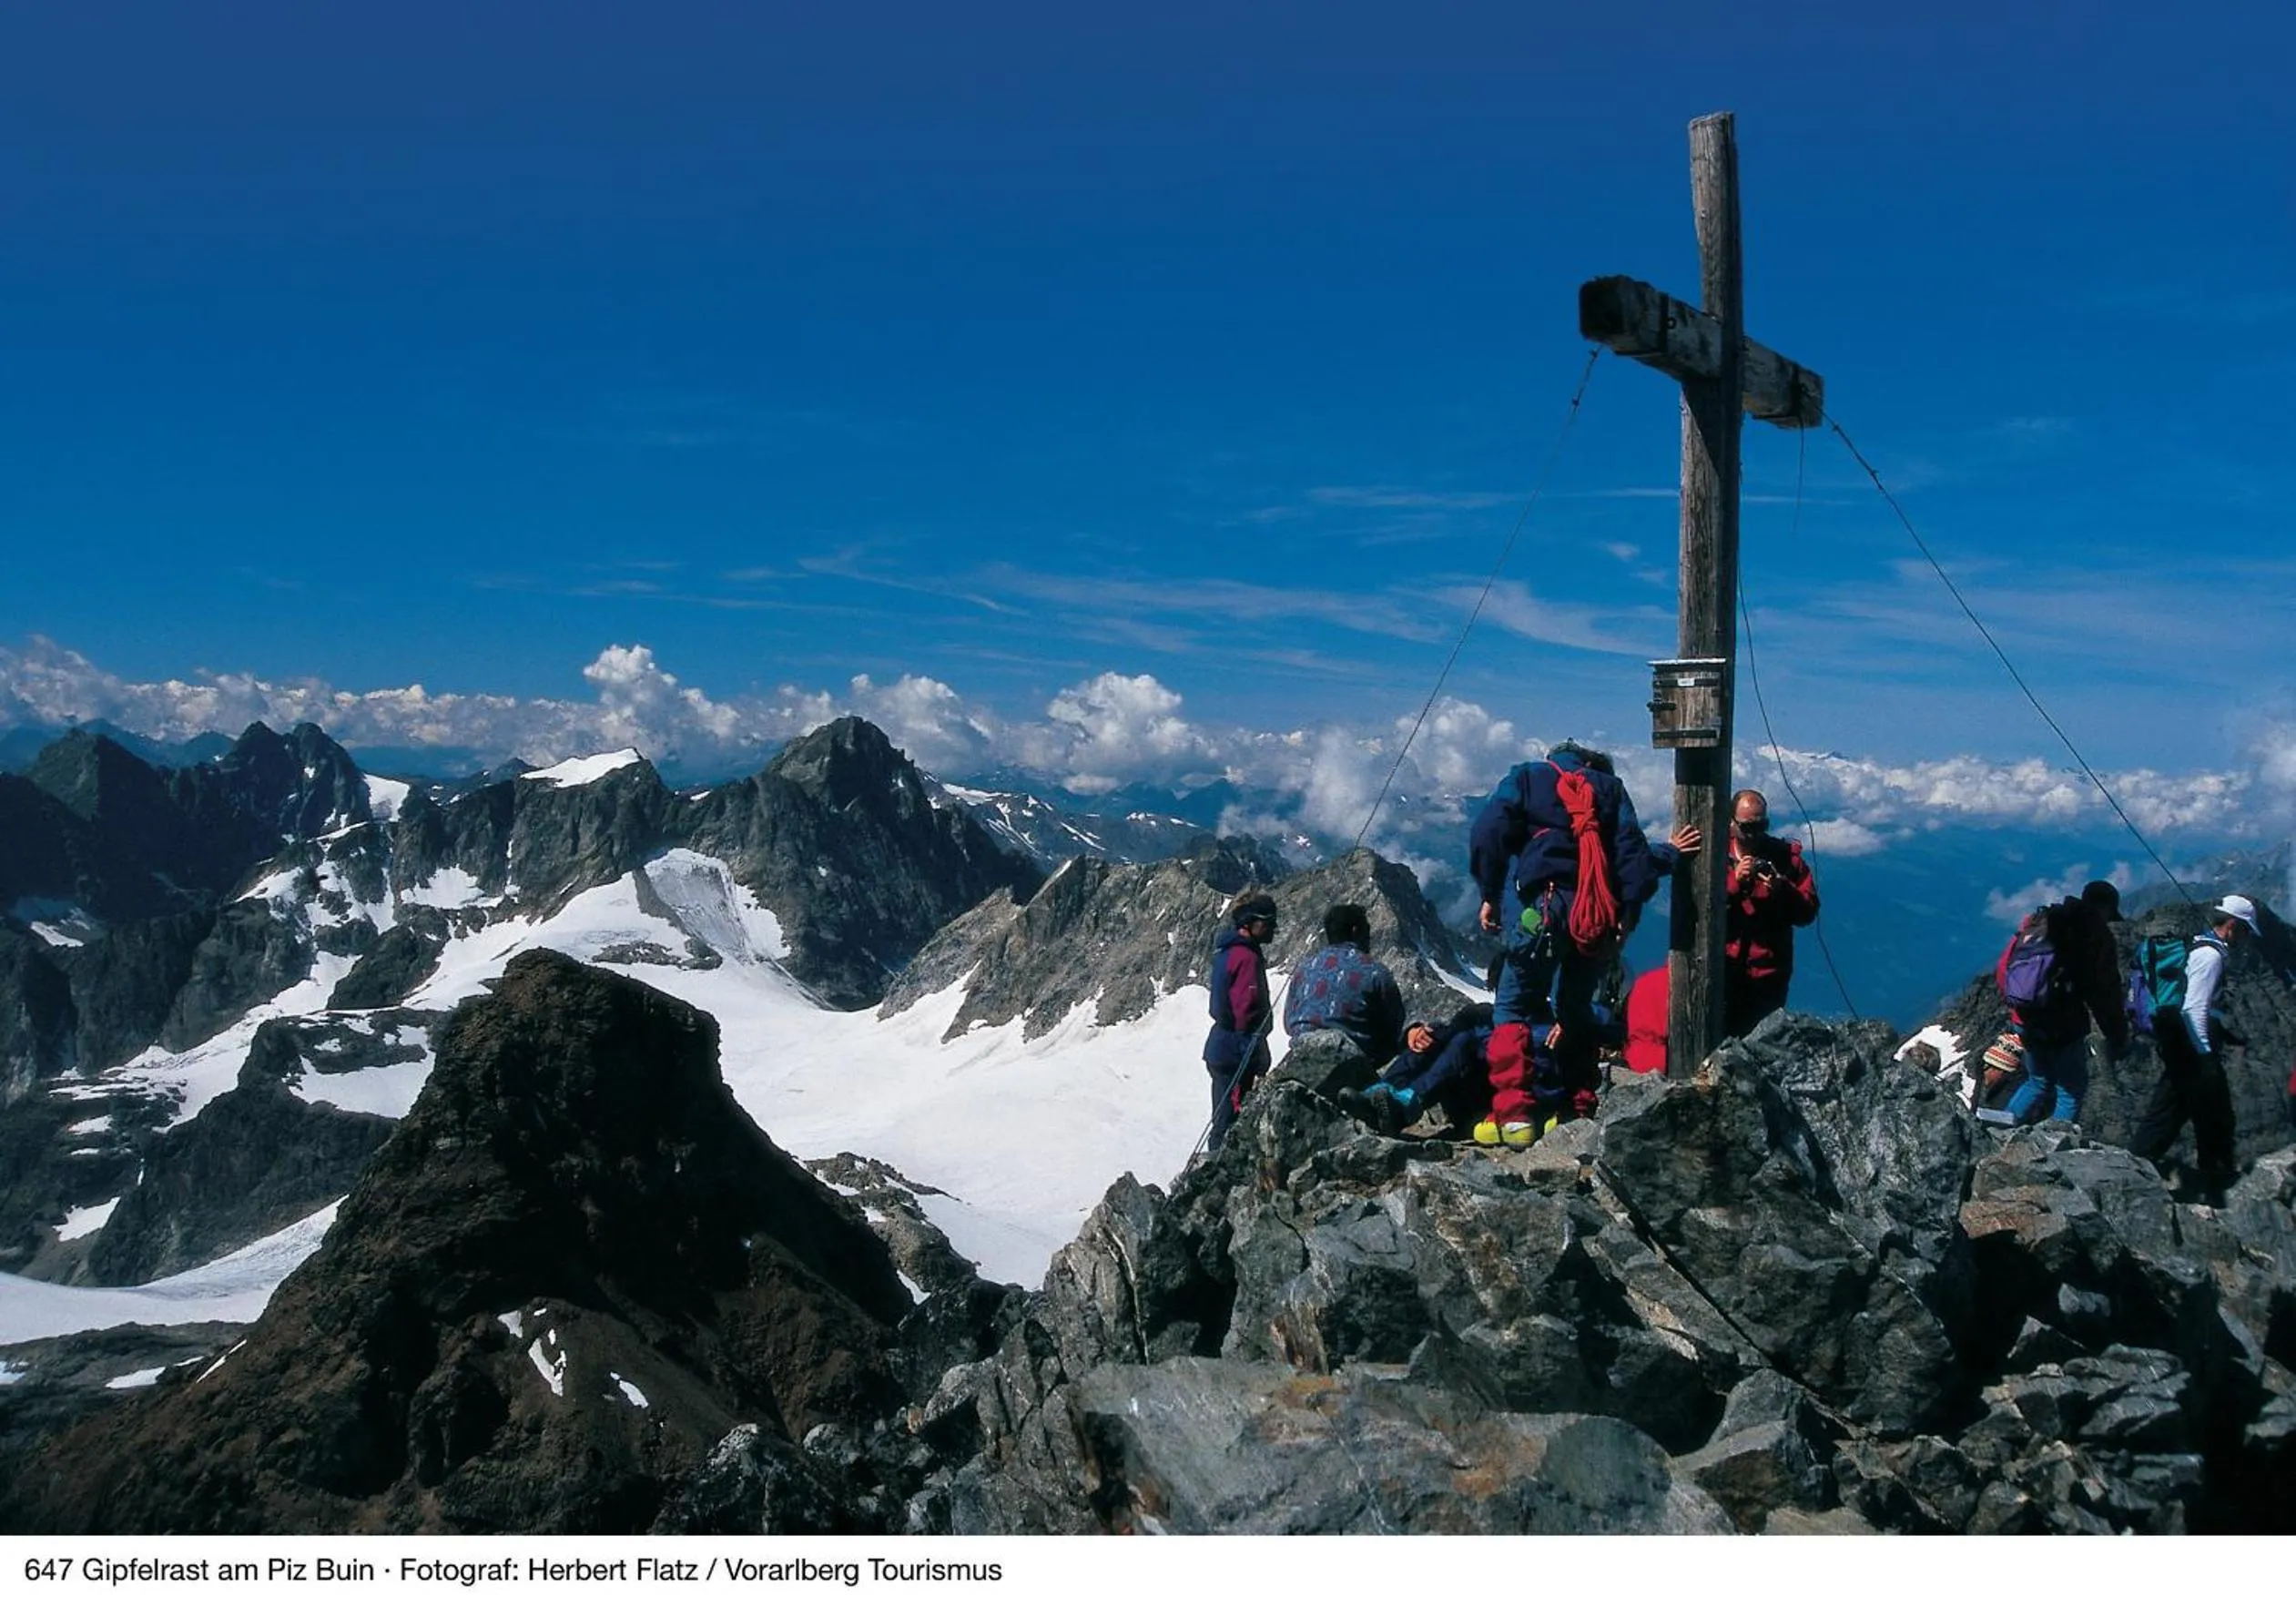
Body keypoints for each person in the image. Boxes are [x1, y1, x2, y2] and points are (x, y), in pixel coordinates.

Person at [1468, 741, 1688, 1147]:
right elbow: (1630, 855)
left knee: (1513, 1007)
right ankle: (1575, 1105)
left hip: (1543, 912)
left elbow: (1489, 830)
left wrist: (1490, 893)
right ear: (1590, 763)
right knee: (1575, 1010)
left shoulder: (1528, 777)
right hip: (1595, 916)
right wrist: (1664, 864)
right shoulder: (1610, 789)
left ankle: (1514, 1116)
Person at [2132, 894, 2260, 1202]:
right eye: (2244, 931)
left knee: (2179, 1109)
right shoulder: (2211, 956)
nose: (2245, 939)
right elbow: (2194, 1008)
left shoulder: (2200, 946)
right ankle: (2214, 1179)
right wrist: (2205, 1055)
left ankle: (2141, 1163)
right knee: (2206, 1112)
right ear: (2232, 925)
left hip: (2182, 1044)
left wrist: (2225, 1035)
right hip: (2191, 1048)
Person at [1994, 879, 2130, 1125]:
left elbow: (2005, 966)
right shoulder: (2096, 935)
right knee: (2071, 1090)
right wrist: (2117, 1036)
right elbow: (2104, 993)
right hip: (2063, 1025)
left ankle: (1997, 1130)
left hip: (2024, 1016)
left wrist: (2016, 1007)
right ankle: (2055, 1145)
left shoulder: (2042, 920)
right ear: (2106, 908)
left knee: (2037, 1081)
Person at [1722, 789, 1822, 1036]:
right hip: (1723, 969)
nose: (1754, 834)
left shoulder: (1787, 859)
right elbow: (1696, 905)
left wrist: (1783, 888)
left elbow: (1808, 913)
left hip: (1767, 975)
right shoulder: (1714, 855)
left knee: (1762, 1043)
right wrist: (1733, 883)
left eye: (1761, 825)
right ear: (1731, 823)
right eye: (1747, 827)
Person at [1283, 903, 1407, 1064]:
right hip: (1353, 1064)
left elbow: (1288, 1022)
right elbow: (1394, 1023)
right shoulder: (1375, 972)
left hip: (1299, 1058)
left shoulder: (1304, 968)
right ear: (1356, 931)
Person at [1346, 1002, 1495, 1136]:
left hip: (1481, 1102)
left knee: (1463, 1041)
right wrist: (1417, 1034)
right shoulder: (1483, 1013)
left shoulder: (1510, 1021)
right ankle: (1382, 1093)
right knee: (1433, 1035)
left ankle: (1404, 1108)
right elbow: (1449, 1029)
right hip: (1460, 1086)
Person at [1203, 891, 1277, 1152]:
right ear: (1250, 923)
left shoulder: (1229, 952)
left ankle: (1212, 1169)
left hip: (1222, 1048)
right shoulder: (1246, 958)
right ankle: (1215, 1170)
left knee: (1223, 1117)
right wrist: (1256, 1056)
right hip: (1236, 1052)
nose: (1273, 928)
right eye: (1268, 922)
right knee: (1229, 1121)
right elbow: (1246, 1011)